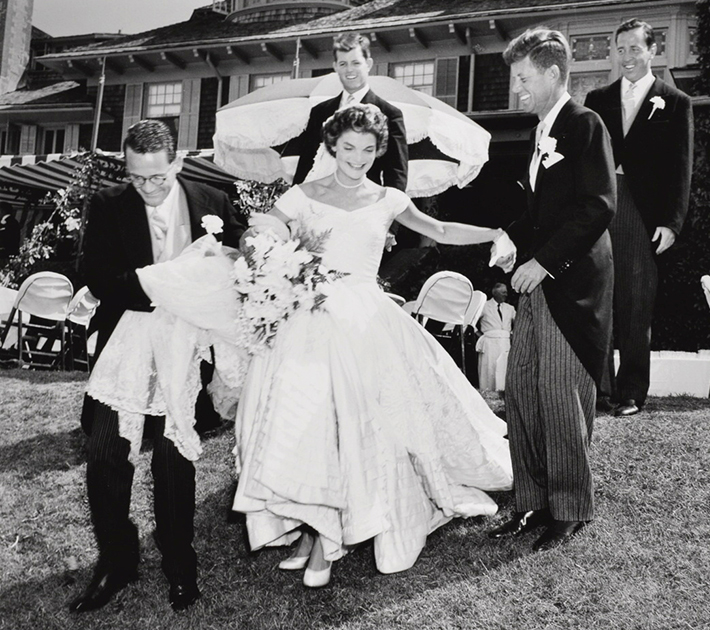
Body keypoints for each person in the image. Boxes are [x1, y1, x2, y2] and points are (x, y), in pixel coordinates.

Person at [232, 104, 513, 588]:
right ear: (331, 147)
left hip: (364, 322)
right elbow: (262, 231)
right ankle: (309, 526)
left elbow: (440, 231)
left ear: (379, 150)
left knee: (351, 425)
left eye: (367, 149)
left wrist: (496, 232)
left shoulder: (388, 198)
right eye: (347, 149)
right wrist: (256, 244)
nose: (357, 158)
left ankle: (327, 538)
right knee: (305, 423)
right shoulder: (302, 195)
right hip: (309, 316)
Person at [70, 119, 245, 613]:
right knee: (104, 452)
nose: (146, 188)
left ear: (178, 163)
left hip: (189, 349)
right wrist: (163, 288)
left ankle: (179, 564)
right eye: (136, 177)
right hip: (126, 340)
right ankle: (117, 561)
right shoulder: (108, 204)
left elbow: (238, 262)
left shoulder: (213, 201)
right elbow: (97, 273)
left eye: (157, 178)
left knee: (173, 460)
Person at [488, 28, 615, 552]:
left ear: (552, 74)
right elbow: (541, 212)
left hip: (573, 283)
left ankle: (570, 507)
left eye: (523, 77)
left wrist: (541, 261)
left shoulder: (585, 124)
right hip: (537, 280)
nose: (516, 87)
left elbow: (598, 205)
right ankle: (532, 501)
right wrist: (508, 238)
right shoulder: (543, 130)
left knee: (560, 394)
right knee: (521, 389)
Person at [584, 18, 693, 417]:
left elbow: (681, 168)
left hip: (643, 214)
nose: (627, 56)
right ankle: (597, 388)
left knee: (636, 303)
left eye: (635, 48)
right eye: (621, 48)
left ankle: (630, 392)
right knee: (597, 298)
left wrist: (671, 222)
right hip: (600, 206)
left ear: (652, 50)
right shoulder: (597, 99)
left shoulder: (675, 102)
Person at [292, 32, 408, 192]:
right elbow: (305, 166)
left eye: (355, 63)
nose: (349, 70)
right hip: (319, 204)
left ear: (368, 64)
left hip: (363, 207)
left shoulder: (390, 114)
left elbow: (396, 176)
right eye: (343, 64)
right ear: (335, 66)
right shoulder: (319, 112)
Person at [476, 282, 515, 391]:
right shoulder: (484, 306)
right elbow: (470, 321)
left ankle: (504, 393)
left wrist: (513, 334)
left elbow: (520, 322)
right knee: (490, 368)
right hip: (490, 342)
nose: (506, 295)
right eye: (503, 292)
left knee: (504, 367)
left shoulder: (510, 308)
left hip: (505, 343)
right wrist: (477, 333)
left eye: (506, 292)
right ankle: (488, 392)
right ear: (495, 293)